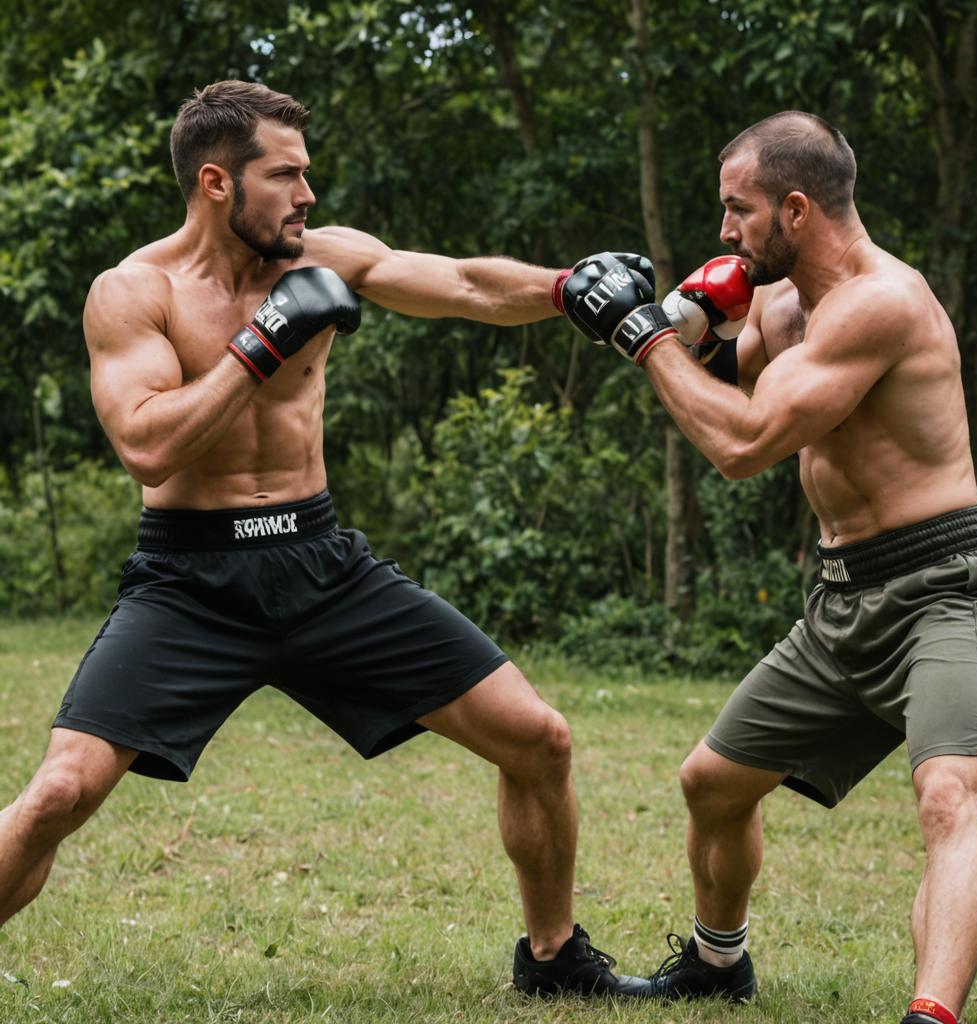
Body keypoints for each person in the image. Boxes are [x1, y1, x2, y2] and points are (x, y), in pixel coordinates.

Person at [0, 79, 652, 999]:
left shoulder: (326, 257)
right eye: (287, 175)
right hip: (191, 579)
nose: (308, 195)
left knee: (538, 739)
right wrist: (262, 343)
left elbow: (463, 282)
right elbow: (146, 445)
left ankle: (553, 961)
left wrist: (565, 288)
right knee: (62, 793)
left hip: (322, 565)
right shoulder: (133, 291)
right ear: (218, 183)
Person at [558, 111, 977, 1024]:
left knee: (947, 794)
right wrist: (687, 326)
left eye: (739, 211)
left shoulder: (881, 302)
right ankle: (716, 964)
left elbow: (745, 446)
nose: (725, 231)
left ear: (798, 208)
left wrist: (644, 336)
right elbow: (728, 386)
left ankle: (931, 1016)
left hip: (946, 587)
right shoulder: (782, 302)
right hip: (841, 598)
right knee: (711, 785)